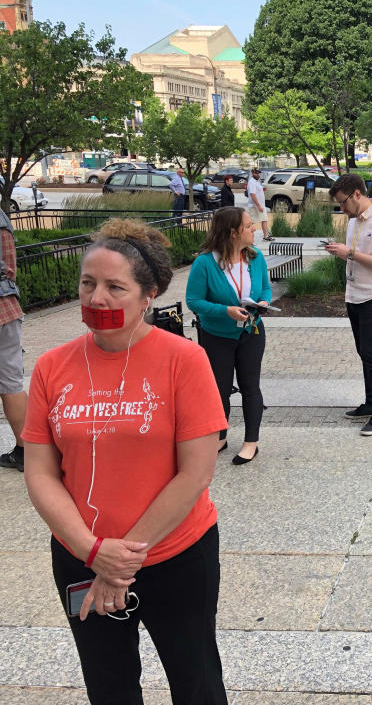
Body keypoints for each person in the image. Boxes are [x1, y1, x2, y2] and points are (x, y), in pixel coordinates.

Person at [22, 218, 229, 704]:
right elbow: (41, 471)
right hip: (79, 554)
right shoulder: (52, 367)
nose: (97, 299)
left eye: (116, 287)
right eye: (88, 283)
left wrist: (120, 561)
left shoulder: (184, 360)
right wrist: (93, 551)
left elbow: (196, 471)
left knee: (196, 679)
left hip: (177, 554)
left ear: (148, 294)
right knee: (108, 682)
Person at [185, 206, 271, 465]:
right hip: (216, 335)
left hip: (251, 333)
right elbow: (194, 300)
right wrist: (225, 311)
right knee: (218, 390)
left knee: (250, 387)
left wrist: (263, 303)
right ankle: (220, 436)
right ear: (233, 232)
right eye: (248, 225)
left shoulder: (255, 258)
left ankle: (250, 442)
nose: (254, 228)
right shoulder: (205, 263)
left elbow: (265, 289)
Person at [326, 173, 372, 437]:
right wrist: (342, 251)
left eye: (343, 203)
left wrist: (350, 253)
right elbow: (355, 256)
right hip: (354, 294)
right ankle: (371, 402)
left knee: (371, 352)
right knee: (363, 352)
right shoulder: (354, 220)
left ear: (357, 194)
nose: (342, 209)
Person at [0, 209, 27, 473]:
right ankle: (27, 451)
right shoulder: (2, 219)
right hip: (6, 307)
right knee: (11, 383)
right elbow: (10, 268)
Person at [245, 168, 271, 241]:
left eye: (259, 173)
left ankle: (266, 236)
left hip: (261, 205)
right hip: (254, 206)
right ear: (253, 173)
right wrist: (258, 205)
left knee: (264, 219)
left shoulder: (257, 182)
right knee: (251, 222)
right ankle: (248, 238)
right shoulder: (251, 182)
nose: (258, 175)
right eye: (256, 173)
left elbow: (258, 192)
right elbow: (252, 194)